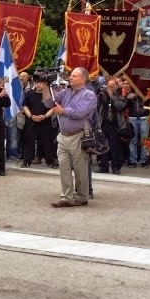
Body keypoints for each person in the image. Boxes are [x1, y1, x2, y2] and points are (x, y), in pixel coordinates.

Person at [50, 67, 98, 208]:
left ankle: (82, 196)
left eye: (74, 76)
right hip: (63, 135)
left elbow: (79, 113)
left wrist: (62, 111)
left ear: (83, 79)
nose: (70, 77)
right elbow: (49, 102)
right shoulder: (65, 92)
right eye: (70, 75)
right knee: (64, 167)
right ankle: (66, 197)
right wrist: (46, 86)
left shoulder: (88, 95)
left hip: (79, 135)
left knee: (80, 168)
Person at [21, 73, 57, 168]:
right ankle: (27, 161)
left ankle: (50, 161)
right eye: (36, 83)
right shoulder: (29, 94)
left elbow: (53, 107)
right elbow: (25, 106)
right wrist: (31, 116)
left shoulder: (50, 95)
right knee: (29, 142)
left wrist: (44, 116)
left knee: (48, 143)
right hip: (31, 122)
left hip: (45, 122)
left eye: (41, 83)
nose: (38, 85)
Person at [96, 78, 128, 175]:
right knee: (103, 145)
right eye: (108, 86)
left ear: (116, 86)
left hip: (115, 124)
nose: (110, 88)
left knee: (115, 147)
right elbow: (97, 107)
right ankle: (103, 166)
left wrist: (111, 95)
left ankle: (116, 167)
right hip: (104, 123)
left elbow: (120, 106)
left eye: (112, 86)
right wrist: (103, 93)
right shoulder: (102, 95)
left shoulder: (120, 96)